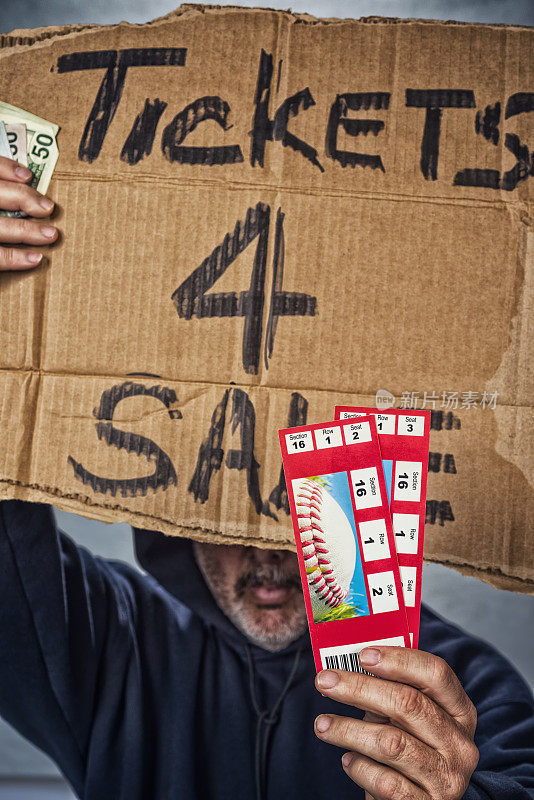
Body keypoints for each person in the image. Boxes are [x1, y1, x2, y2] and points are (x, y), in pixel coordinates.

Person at [0, 157, 533, 800]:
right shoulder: (114, 645)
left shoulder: (462, 690)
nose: (267, 553)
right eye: (238, 501)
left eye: (295, 502)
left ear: (354, 480)